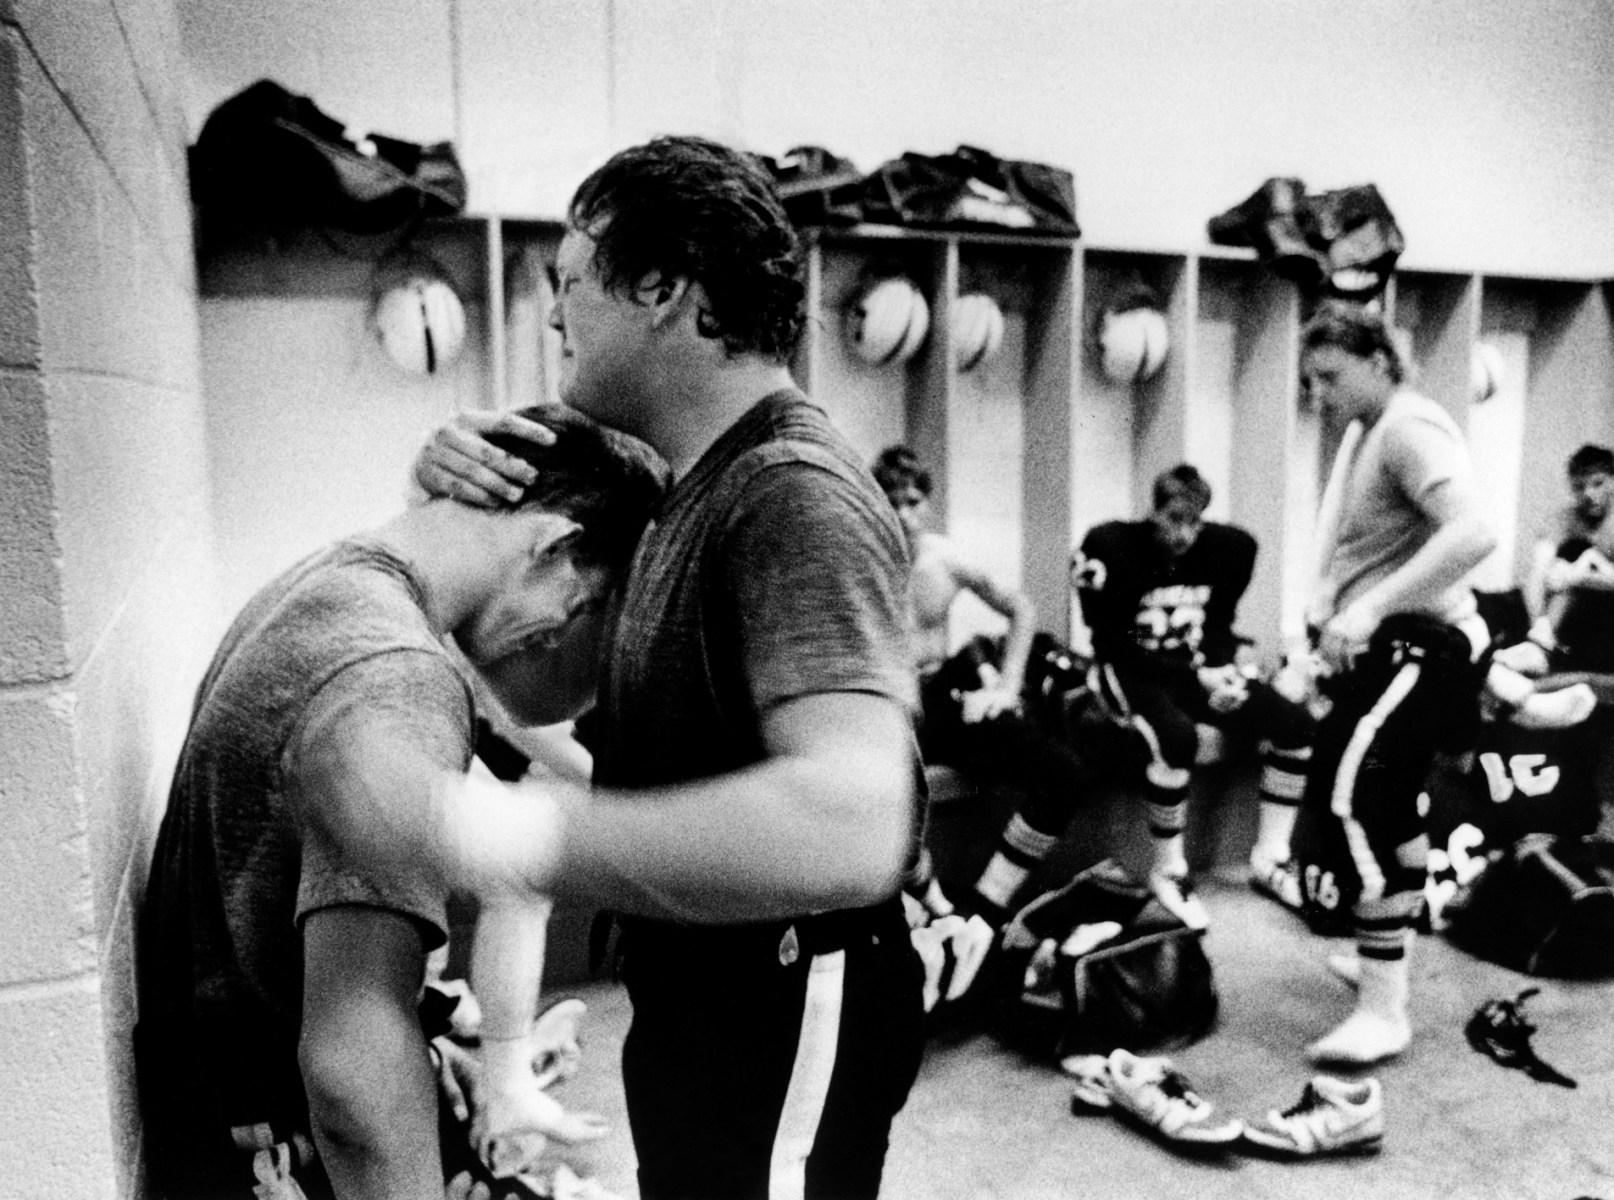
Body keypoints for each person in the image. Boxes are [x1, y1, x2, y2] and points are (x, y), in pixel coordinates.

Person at [412, 136, 926, 1200]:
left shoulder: (792, 493)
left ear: (660, 287)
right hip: (705, 992)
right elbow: (545, 693)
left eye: (569, 284)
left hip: (790, 998)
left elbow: (855, 822)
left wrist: (488, 834)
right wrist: (448, 512)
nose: (555, 316)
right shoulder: (687, 484)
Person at [135, 405, 665, 1200]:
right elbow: (353, 1075)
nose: (596, 678)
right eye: (607, 627)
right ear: (555, 549)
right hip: (279, 1151)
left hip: (229, 1126)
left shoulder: (329, 583)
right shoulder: (399, 674)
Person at [1070, 464, 1317, 929]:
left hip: (1192, 669)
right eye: (1174, 519)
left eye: (1194, 522)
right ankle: (1169, 869)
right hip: (1130, 670)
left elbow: (1218, 627)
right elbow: (1114, 646)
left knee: (1296, 726)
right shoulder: (1110, 546)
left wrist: (1221, 672)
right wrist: (1199, 676)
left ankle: (1271, 857)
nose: (1185, 534)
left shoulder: (1229, 548)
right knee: (1177, 739)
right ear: (1153, 512)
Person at [870, 444, 1096, 925]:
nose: (905, 515)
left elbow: (1022, 610)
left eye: (913, 502)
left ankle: (987, 903)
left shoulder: (944, 560)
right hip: (885, 706)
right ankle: (927, 905)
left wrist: (1006, 687)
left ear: (928, 504)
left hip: (939, 695)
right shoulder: (856, 562)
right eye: (892, 501)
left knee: (1064, 774)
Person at [1503, 443, 1614, 674]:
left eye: (1598, 484)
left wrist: (1578, 576)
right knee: (1568, 553)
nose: (1589, 494)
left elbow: (1573, 577)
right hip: (1570, 619)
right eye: (1580, 487)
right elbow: (1537, 573)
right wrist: (1538, 625)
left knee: (1577, 551)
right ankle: (1539, 646)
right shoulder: (1563, 520)